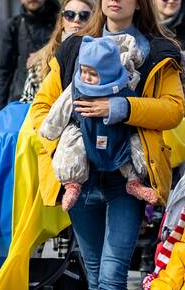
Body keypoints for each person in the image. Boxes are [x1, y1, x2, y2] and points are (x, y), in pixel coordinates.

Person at [30, 0, 185, 290]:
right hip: (81, 177)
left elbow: (174, 110)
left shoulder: (158, 51)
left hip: (126, 180)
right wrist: (66, 126)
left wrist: (121, 106)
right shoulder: (74, 47)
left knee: (115, 272)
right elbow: (42, 109)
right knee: (96, 275)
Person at [38, 35, 156, 210]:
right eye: (83, 71)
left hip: (117, 133)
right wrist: (50, 129)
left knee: (134, 147)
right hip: (84, 130)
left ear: (108, 73)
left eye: (92, 74)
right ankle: (72, 183)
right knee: (71, 144)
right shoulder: (76, 88)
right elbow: (61, 108)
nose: (85, 77)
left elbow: (139, 107)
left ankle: (134, 182)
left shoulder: (124, 86)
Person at [0, 0, 60, 114]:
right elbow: (4, 71)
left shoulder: (61, 22)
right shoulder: (14, 26)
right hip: (21, 99)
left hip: (54, 100)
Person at [19, 0, 95, 103]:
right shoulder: (41, 59)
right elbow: (28, 102)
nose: (76, 20)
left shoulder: (104, 53)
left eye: (84, 15)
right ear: (62, 20)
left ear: (94, 19)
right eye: (70, 15)